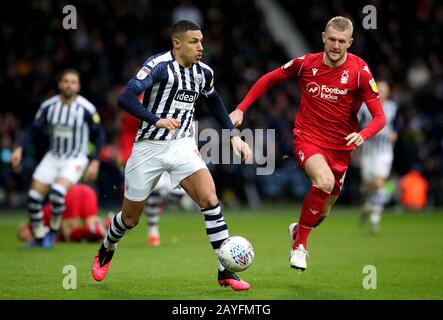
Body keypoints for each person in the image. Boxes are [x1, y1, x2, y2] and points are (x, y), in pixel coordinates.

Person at [91, 20, 252, 291]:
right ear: (177, 43)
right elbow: (126, 97)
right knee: (130, 219)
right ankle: (107, 246)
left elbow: (214, 102)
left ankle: (225, 271)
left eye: (201, 41)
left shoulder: (204, 73)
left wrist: (234, 136)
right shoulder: (158, 66)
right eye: (194, 42)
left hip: (182, 145)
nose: (201, 47)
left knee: (210, 200)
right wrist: (155, 119)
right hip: (148, 147)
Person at [230, 16, 386, 271]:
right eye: (332, 39)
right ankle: (299, 247)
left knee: (321, 213)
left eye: (342, 41)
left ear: (350, 42)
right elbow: (268, 79)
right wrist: (241, 109)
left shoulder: (360, 72)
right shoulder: (305, 64)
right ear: (324, 37)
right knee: (323, 182)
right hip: (308, 139)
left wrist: (363, 134)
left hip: (341, 148)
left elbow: (380, 117)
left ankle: (299, 232)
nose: (336, 45)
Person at [11, 69, 104, 249]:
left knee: (57, 193)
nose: (69, 85)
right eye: (66, 81)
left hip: (75, 158)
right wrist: (19, 148)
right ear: (60, 84)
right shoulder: (48, 106)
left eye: (73, 82)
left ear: (78, 86)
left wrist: (95, 161)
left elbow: (99, 135)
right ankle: (39, 236)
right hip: (53, 157)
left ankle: (52, 233)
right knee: (33, 197)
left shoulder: (86, 108)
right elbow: (33, 129)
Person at [358, 80, 398, 234]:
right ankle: (367, 206)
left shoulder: (393, 108)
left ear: (388, 92)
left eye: (384, 90)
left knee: (379, 183)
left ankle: (375, 219)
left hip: (384, 151)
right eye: (378, 89)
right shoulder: (364, 107)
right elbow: (358, 125)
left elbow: (397, 125)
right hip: (368, 151)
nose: (381, 92)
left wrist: (395, 134)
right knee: (368, 185)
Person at [17, 184, 105, 244]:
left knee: (70, 235)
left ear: (25, 228)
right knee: (96, 232)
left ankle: (105, 226)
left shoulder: (39, 221)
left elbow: (64, 229)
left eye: (24, 237)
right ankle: (109, 224)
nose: (26, 239)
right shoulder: (41, 226)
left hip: (71, 194)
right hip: (87, 191)